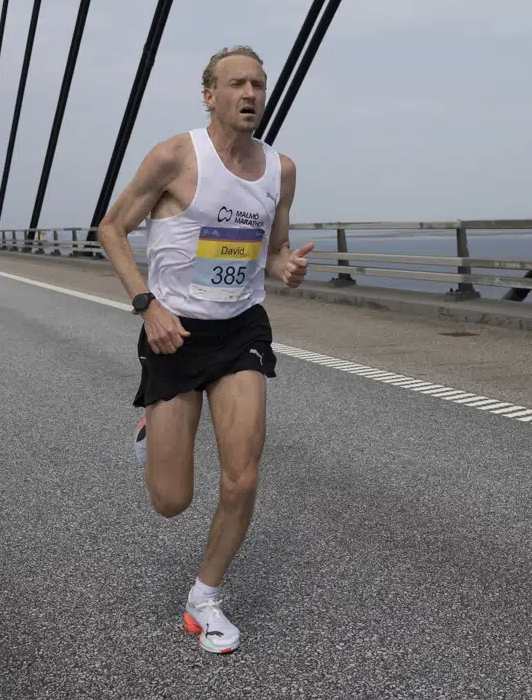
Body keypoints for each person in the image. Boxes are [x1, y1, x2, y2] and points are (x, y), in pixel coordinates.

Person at [97, 45, 313, 655]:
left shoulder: (281, 170)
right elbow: (111, 229)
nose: (251, 93)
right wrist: (147, 305)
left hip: (241, 330)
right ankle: (152, 432)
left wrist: (284, 266)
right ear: (209, 94)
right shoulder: (174, 157)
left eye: (259, 85)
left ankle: (205, 599)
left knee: (242, 479)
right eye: (237, 83)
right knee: (171, 502)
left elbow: (274, 250)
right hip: (174, 334)